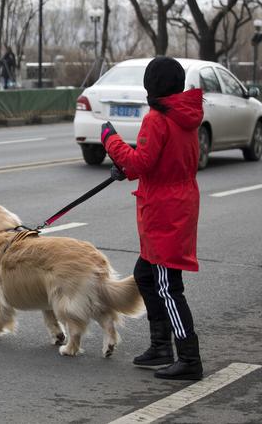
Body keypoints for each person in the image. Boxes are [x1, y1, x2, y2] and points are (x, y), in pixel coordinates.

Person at [100, 56, 204, 380]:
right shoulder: (184, 116)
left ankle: (189, 358)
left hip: (164, 209)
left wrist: (110, 140)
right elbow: (156, 162)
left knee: (167, 285)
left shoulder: (158, 119)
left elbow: (142, 162)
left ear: (151, 86)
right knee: (145, 275)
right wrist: (127, 166)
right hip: (178, 202)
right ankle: (161, 347)